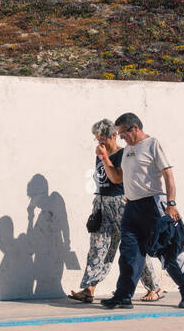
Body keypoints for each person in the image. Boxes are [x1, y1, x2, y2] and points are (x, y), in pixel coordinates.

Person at [99, 113, 184, 310]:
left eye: (122, 134)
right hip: (132, 208)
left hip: (153, 205)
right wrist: (104, 159)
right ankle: (124, 296)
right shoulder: (128, 150)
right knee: (129, 253)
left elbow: (168, 175)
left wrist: (171, 204)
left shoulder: (153, 145)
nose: (121, 138)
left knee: (167, 252)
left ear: (134, 128)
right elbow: (118, 179)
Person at [70, 119, 164, 302]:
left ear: (114, 135)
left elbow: (116, 179)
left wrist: (105, 158)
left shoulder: (123, 154)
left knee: (133, 248)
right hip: (102, 204)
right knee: (98, 248)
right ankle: (89, 288)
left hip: (121, 204)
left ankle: (155, 287)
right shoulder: (101, 153)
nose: (100, 143)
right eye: (97, 139)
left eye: (103, 138)